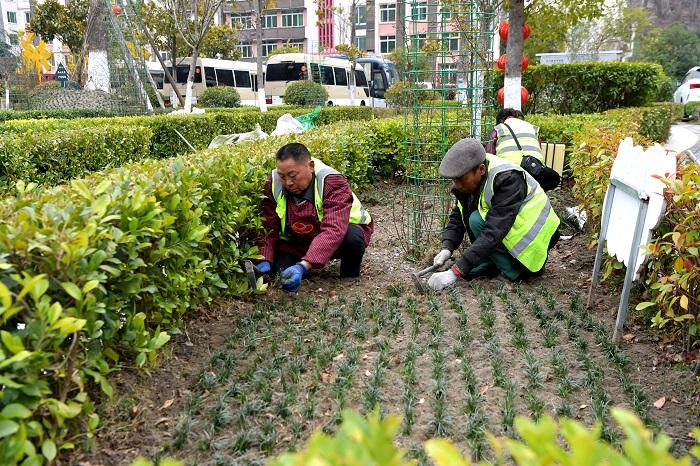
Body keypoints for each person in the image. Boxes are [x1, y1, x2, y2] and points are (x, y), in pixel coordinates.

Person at [428, 138, 560, 291]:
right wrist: (447, 247)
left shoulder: (507, 179)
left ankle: (514, 272)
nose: (457, 185)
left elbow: (494, 231)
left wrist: (456, 271)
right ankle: (498, 262)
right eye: (454, 180)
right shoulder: (471, 177)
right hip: (512, 235)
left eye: (461, 179)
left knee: (476, 220)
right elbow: (458, 216)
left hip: (534, 244)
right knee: (473, 235)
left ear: (481, 169)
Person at [257, 142, 373, 292]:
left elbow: (333, 229)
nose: (288, 183)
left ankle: (349, 277)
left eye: (293, 176)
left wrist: (303, 265)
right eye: (282, 176)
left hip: (339, 238)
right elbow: (268, 226)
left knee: (353, 238)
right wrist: (263, 259)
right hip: (298, 240)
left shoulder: (332, 181)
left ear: (310, 166)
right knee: (279, 271)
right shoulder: (272, 183)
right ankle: (304, 263)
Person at [486, 108, 560, 191]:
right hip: (535, 169)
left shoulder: (499, 128)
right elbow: (538, 147)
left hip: (508, 171)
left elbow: (489, 152)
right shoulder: (532, 127)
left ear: (501, 119)